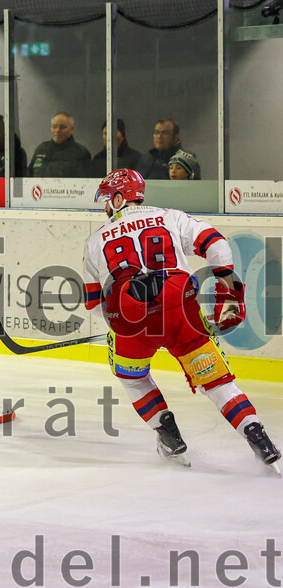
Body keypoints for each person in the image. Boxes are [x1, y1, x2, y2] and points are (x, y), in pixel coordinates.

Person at [82, 169, 280, 471]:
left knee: (132, 379)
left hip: (130, 318)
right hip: (181, 309)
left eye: (108, 200)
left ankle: (170, 437)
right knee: (216, 382)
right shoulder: (169, 217)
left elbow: (94, 304)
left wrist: (121, 331)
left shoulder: (95, 240)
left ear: (119, 198)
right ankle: (259, 438)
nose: (106, 208)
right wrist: (227, 291)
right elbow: (216, 244)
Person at [28, 112, 90, 177]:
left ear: (71, 129)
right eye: (54, 126)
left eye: (62, 127)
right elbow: (29, 175)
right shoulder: (41, 149)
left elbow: (85, 182)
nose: (57, 130)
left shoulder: (81, 153)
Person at [135, 119, 199, 181]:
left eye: (165, 133)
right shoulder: (146, 158)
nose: (159, 136)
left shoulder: (187, 159)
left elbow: (194, 187)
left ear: (176, 138)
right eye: (157, 132)